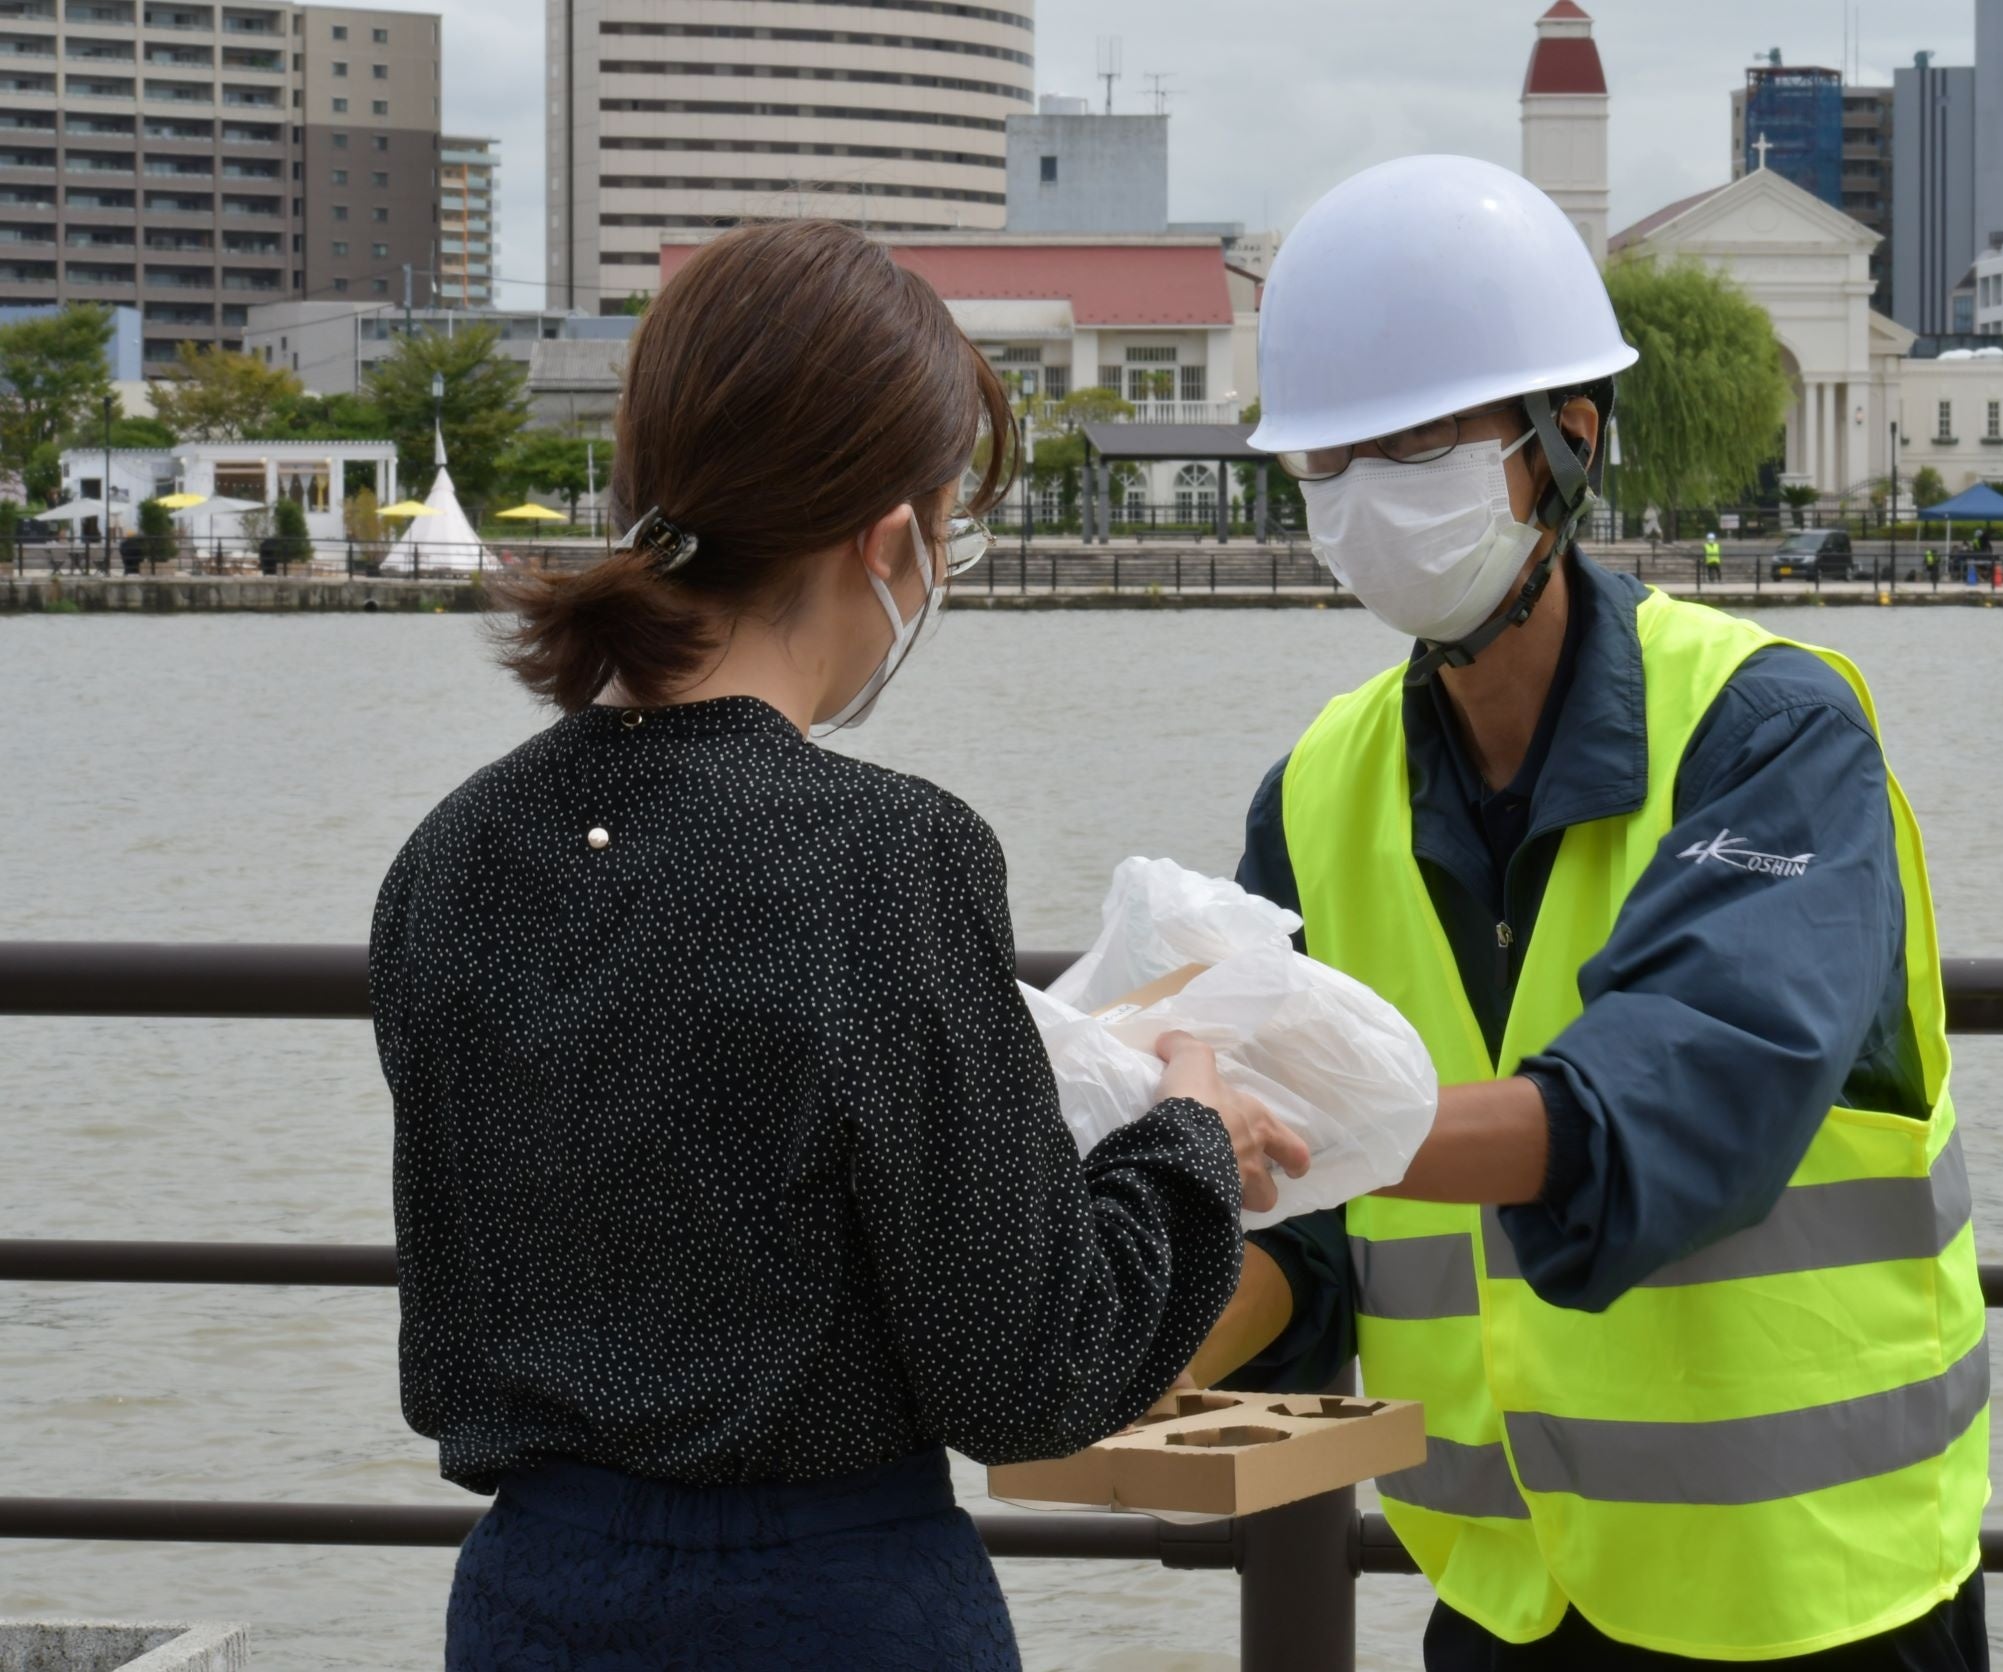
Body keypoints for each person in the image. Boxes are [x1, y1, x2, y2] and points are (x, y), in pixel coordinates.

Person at [368, 220, 1307, 1672]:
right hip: (825, 1596)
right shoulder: (882, 856)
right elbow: (1027, 1370)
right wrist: (1185, 1142)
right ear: (888, 539)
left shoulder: (451, 855)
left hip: (531, 1596)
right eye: (947, 531)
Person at [1192, 156, 1989, 1670]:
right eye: (1328, 461)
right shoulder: (1314, 797)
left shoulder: (1767, 733)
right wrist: (1118, 1311)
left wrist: (1331, 1125)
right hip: (1507, 1595)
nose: (1367, 498)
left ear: (1568, 439)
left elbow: (1693, 1084)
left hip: (1811, 1598)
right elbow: (1295, 1231)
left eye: (1416, 442)